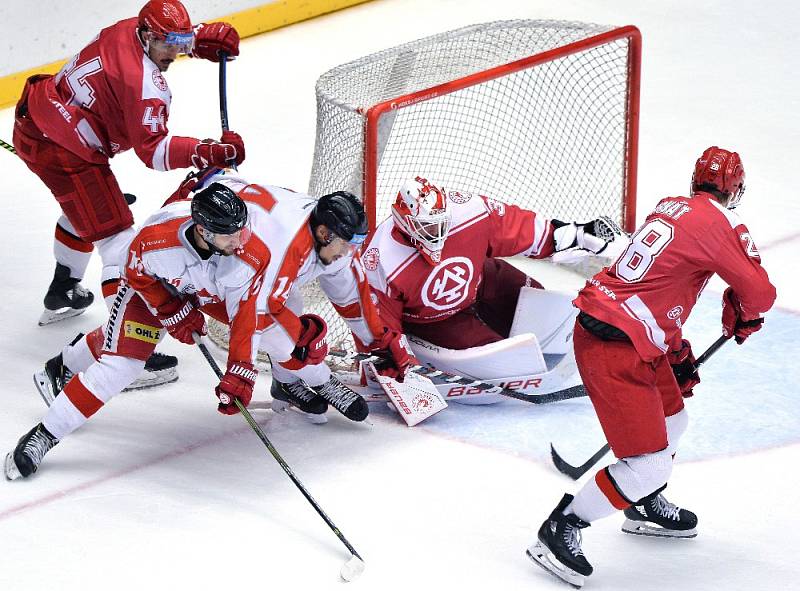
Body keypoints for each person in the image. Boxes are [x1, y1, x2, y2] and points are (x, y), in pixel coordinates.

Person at [5, 171, 412, 480]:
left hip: (212, 287)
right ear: (203, 230)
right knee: (124, 364)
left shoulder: (247, 254)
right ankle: (45, 433)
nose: (243, 241)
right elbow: (135, 269)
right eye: (232, 235)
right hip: (153, 289)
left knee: (288, 332)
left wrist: (239, 371)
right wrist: (170, 309)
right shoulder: (158, 241)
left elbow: (246, 315)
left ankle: (304, 380)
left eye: (243, 231)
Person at [526, 146, 777, 588]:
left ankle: (641, 503)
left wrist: (675, 352)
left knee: (674, 421)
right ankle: (562, 527)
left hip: (626, 330)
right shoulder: (721, 222)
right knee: (648, 464)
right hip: (614, 342)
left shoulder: (671, 206)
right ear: (735, 188)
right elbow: (759, 292)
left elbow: (659, 288)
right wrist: (742, 308)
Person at [12, 0, 245, 329]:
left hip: (41, 117)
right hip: (62, 147)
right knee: (118, 240)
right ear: (148, 35)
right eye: (169, 44)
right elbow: (154, 152)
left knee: (87, 209)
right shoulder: (146, 85)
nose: (174, 53)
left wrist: (197, 38)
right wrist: (209, 152)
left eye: (179, 44)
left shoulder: (129, 29)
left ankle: (63, 290)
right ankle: (127, 343)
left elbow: (166, 39)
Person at [357, 176, 618, 351]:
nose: (436, 232)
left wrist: (570, 234)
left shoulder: (468, 210)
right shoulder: (379, 258)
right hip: (433, 320)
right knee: (500, 356)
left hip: (484, 280)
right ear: (405, 222)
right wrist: (392, 358)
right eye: (427, 226)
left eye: (440, 222)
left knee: (541, 303)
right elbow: (377, 323)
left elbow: (515, 227)